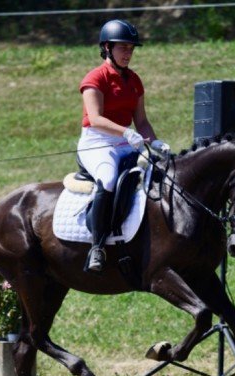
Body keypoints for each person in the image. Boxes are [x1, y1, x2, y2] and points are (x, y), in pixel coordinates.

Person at [78, 19, 170, 273]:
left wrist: (156, 143)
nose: (128, 53)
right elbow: (95, 118)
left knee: (157, 173)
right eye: (123, 48)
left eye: (131, 48)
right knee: (107, 180)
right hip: (98, 143)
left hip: (126, 142)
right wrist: (126, 133)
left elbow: (141, 121)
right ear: (107, 47)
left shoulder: (134, 80)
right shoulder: (95, 78)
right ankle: (97, 247)